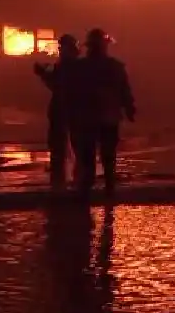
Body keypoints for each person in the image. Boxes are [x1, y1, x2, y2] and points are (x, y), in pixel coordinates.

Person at [70, 28, 136, 193]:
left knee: (89, 156)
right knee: (106, 156)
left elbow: (71, 93)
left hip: (89, 119)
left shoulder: (80, 67)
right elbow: (124, 91)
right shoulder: (114, 66)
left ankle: (87, 191)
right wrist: (129, 109)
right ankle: (107, 188)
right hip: (106, 118)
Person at [33, 34, 81, 182]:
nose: (60, 50)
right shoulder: (69, 64)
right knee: (63, 145)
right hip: (67, 109)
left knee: (67, 145)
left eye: (63, 47)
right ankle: (71, 178)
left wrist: (43, 74)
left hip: (68, 109)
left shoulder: (71, 66)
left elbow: (57, 85)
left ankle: (66, 180)